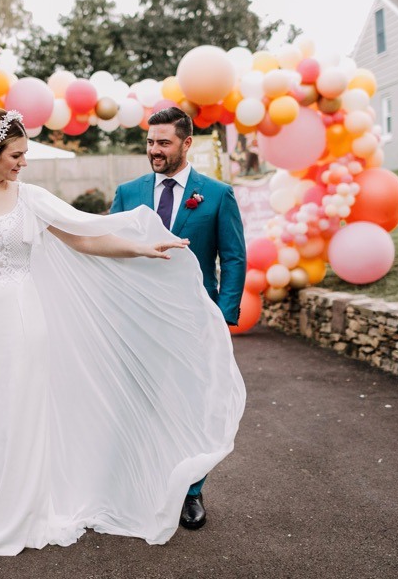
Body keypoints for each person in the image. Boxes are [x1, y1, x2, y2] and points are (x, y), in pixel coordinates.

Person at [0, 108, 246, 556]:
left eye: (25, 155)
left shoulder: (31, 199)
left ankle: (14, 516)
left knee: (14, 416)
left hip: (19, 324)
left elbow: (87, 236)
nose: (23, 162)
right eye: (16, 155)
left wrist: (142, 246)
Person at [110, 107, 247, 531]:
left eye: (164, 143)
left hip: (194, 320)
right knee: (138, 404)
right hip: (137, 319)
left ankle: (191, 492)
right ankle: (139, 483)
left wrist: (221, 319)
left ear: (187, 144)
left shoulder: (217, 194)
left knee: (191, 405)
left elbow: (234, 258)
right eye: (150, 142)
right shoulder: (128, 192)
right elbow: (109, 248)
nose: (155, 150)